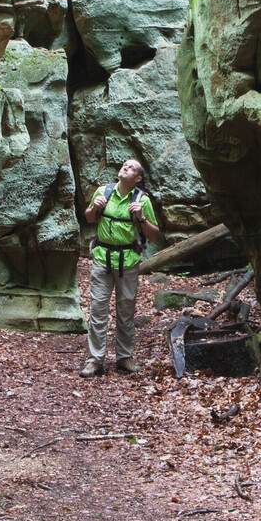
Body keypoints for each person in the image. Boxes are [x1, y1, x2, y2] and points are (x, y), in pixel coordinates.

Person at [81, 157, 160, 376]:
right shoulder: (103, 192)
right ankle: (95, 360)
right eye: (125, 165)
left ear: (138, 178)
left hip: (128, 261)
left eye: (132, 167)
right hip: (101, 259)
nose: (126, 167)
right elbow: (88, 218)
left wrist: (141, 218)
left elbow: (154, 235)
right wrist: (94, 209)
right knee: (98, 310)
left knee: (126, 312)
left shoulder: (142, 200)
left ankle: (124, 358)